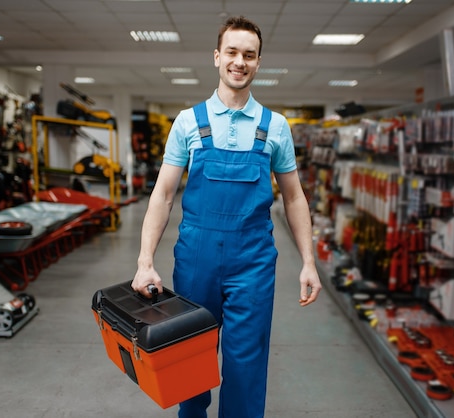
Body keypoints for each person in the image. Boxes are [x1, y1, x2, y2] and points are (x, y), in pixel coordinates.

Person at [131, 15, 322, 418]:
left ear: (258, 62)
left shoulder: (276, 127)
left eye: (249, 55)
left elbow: (293, 197)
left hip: (252, 261)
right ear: (217, 57)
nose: (240, 61)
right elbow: (163, 195)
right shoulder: (187, 122)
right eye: (232, 52)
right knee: (189, 353)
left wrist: (309, 262)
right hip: (196, 257)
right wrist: (145, 261)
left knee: (246, 360)